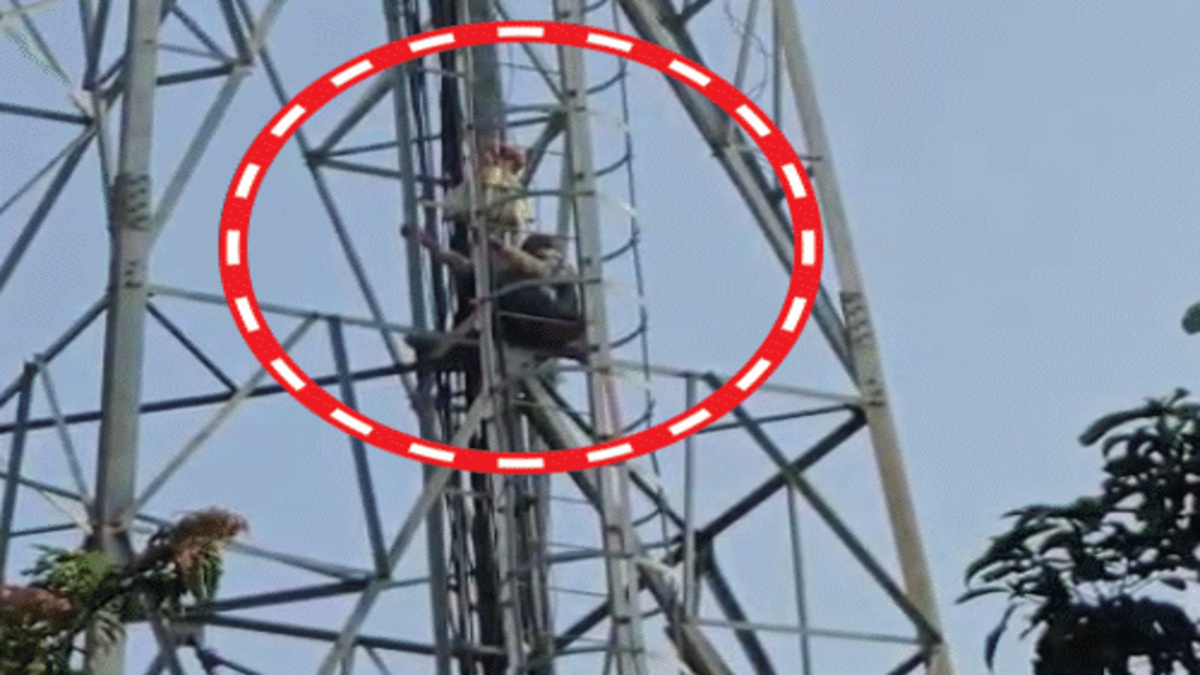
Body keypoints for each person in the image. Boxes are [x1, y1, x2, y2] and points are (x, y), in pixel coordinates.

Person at [401, 226, 585, 358]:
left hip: (549, 318)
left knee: (485, 276)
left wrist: (505, 250)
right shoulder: (521, 278)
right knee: (482, 336)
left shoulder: (558, 267)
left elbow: (540, 269)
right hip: (526, 329)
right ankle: (439, 347)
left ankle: (440, 347)